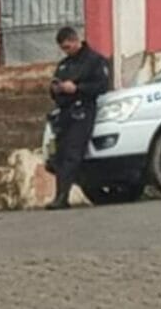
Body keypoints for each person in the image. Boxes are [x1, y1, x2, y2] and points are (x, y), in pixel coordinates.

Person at [46, 27, 109, 210]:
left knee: (72, 154)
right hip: (64, 112)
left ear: (76, 40)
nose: (67, 50)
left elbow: (102, 85)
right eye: (63, 48)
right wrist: (57, 89)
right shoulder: (65, 64)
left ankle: (62, 197)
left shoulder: (95, 61)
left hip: (83, 111)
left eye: (68, 46)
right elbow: (54, 88)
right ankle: (60, 195)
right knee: (60, 155)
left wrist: (77, 88)